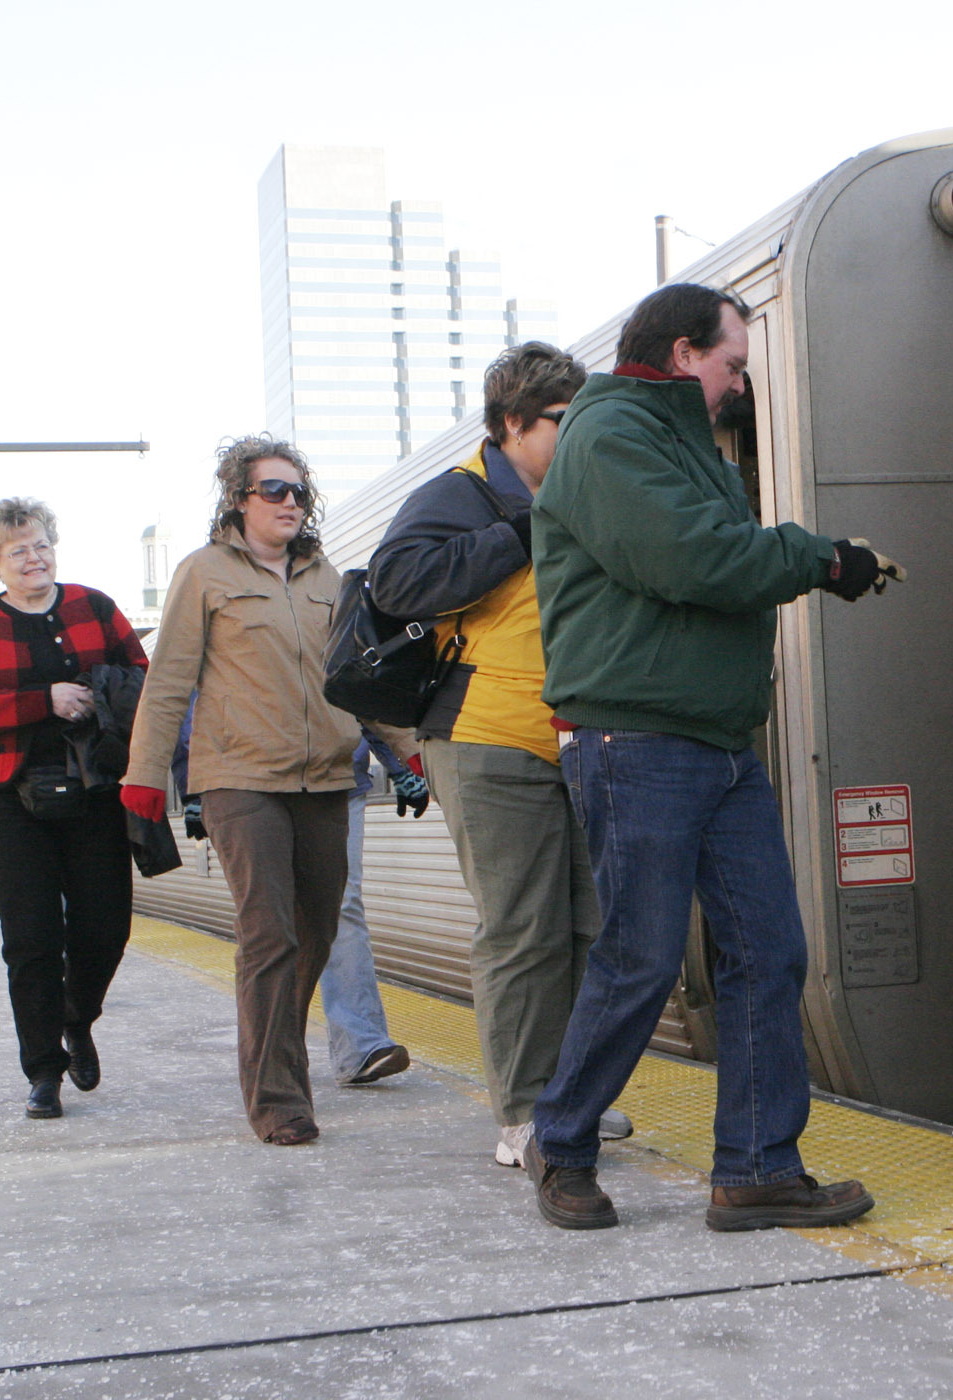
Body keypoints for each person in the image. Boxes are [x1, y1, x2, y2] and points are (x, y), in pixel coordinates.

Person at [524, 283, 902, 1231]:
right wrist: (820, 558)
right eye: (733, 365)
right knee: (643, 958)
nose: (739, 386)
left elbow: (721, 551)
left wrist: (794, 557)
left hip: (718, 742)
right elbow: (695, 558)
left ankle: (757, 1168)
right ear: (686, 352)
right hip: (636, 737)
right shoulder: (609, 437)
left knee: (769, 953)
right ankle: (559, 1141)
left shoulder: (681, 444)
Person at [369, 341, 631, 1165]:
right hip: (488, 739)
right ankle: (522, 1111)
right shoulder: (461, 496)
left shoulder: (582, 492)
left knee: (592, 925)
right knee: (522, 930)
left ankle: (575, 1096)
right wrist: (523, 528)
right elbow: (396, 584)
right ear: (515, 424)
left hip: (582, 738)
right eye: (566, 420)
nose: (580, 434)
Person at [122, 436, 361, 1146]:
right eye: (274, 491)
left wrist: (411, 754)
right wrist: (144, 777)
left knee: (316, 932)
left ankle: (275, 1062)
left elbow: (357, 672)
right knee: (269, 934)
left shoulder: (328, 578)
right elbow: (167, 682)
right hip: (239, 778)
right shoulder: (204, 574)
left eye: (299, 493)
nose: (291, 503)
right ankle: (278, 1097)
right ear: (238, 499)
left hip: (325, 779)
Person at [0, 497, 148, 1120]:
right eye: (17, 551)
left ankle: (76, 1017)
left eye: (40, 545)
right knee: (30, 938)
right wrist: (44, 700)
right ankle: (43, 1072)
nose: (33, 558)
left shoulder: (95, 606)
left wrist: (105, 695)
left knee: (105, 925)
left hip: (94, 792)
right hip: (11, 797)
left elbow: (142, 678)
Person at [175, 705, 419, 1087]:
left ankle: (361, 1046)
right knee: (270, 921)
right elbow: (187, 698)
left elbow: (355, 688)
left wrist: (400, 762)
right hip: (248, 779)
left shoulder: (332, 639)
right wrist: (191, 782)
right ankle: (278, 1051)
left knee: (339, 907)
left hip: (333, 776)